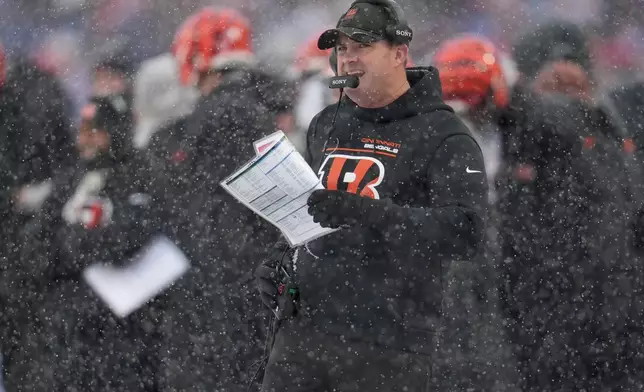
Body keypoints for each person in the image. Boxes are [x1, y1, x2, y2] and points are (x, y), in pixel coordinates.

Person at [255, 1, 488, 390]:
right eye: (342, 49)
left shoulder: (445, 134)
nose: (348, 59)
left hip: (387, 345)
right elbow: (311, 213)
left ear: (399, 53)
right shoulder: (327, 122)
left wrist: (371, 214)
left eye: (361, 46)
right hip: (303, 337)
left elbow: (467, 233)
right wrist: (283, 261)